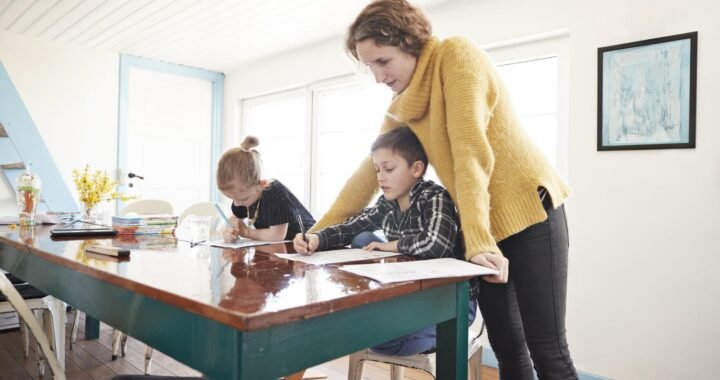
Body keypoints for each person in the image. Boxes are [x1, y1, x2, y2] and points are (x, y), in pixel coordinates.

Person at [311, 0, 578, 378]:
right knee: (507, 349)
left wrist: (479, 242)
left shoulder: (455, 55)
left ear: (409, 41)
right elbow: (365, 174)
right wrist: (317, 234)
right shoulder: (403, 104)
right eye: (370, 66)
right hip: (484, 226)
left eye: (383, 62)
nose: (377, 76)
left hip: (532, 211)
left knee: (548, 349)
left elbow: (470, 151)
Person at [294, 126, 478, 356]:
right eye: (377, 169)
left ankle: (437, 332)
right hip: (413, 298)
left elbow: (436, 245)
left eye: (389, 169)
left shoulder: (435, 197)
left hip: (450, 304)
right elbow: (351, 227)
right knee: (363, 238)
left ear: (416, 168)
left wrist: (391, 245)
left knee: (381, 340)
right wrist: (316, 238)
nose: (381, 177)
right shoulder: (387, 203)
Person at [217, 136, 315, 242]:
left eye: (243, 199)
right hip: (281, 249)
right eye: (232, 198)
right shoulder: (243, 196)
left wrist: (246, 232)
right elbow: (235, 220)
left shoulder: (277, 195)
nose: (237, 204)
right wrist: (229, 230)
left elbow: (276, 236)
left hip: (307, 243)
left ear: (262, 184)